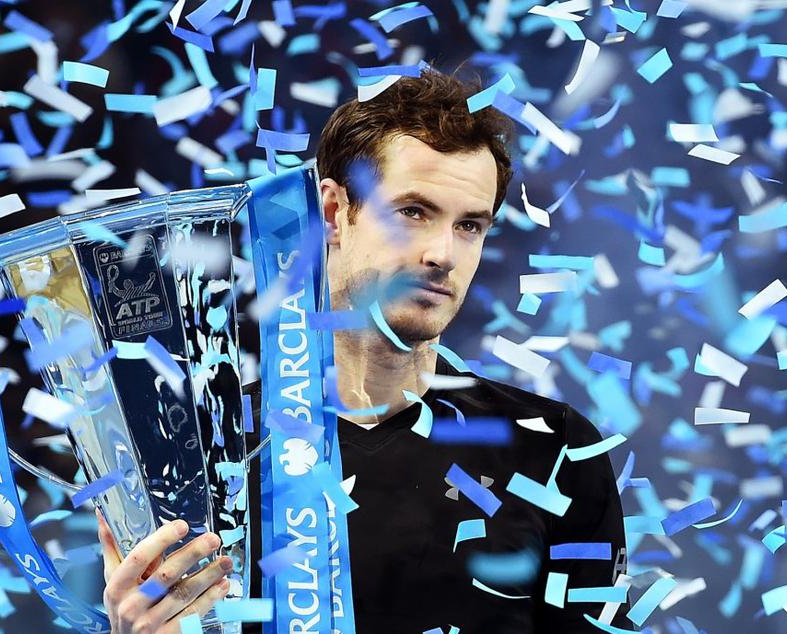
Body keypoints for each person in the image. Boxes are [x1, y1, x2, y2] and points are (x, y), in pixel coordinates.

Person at [98, 66, 632, 633]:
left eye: (470, 225)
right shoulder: (204, 455)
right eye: (413, 212)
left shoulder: (554, 449)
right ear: (334, 212)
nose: (443, 254)